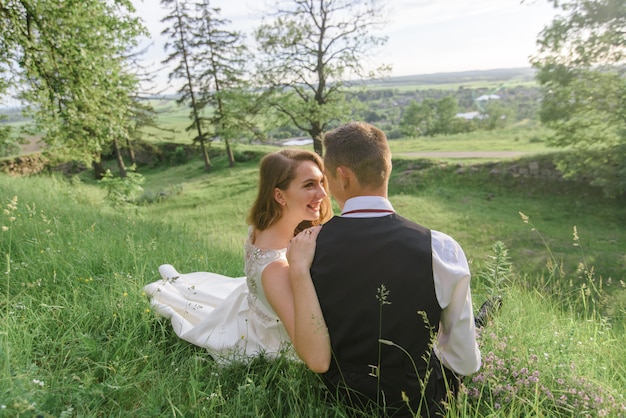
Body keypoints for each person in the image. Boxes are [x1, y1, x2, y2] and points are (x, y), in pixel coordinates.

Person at [287, 122, 481, 417]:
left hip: (341, 400)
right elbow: (465, 362)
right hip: (419, 404)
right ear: (385, 169)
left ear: (343, 176)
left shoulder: (307, 248)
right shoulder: (441, 248)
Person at [143, 149, 332, 363]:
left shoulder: (264, 226)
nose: (323, 194)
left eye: (321, 182)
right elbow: (307, 348)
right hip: (272, 339)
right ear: (279, 195)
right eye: (309, 185)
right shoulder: (276, 269)